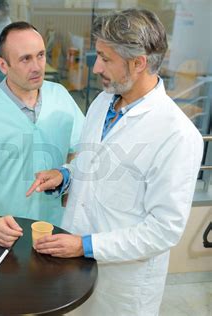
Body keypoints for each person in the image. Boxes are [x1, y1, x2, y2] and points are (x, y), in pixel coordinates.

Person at [28, 9, 203, 315]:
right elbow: (93, 162)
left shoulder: (177, 134)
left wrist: (86, 246)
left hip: (123, 286)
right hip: (73, 263)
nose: (96, 68)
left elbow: (164, 230)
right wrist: (65, 175)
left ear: (139, 63)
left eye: (105, 59)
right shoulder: (102, 102)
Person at [0, 21, 84, 248]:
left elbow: (81, 150)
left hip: (59, 231)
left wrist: (65, 176)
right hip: (8, 234)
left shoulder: (61, 96)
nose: (37, 66)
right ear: (3, 65)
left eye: (41, 55)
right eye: (26, 59)